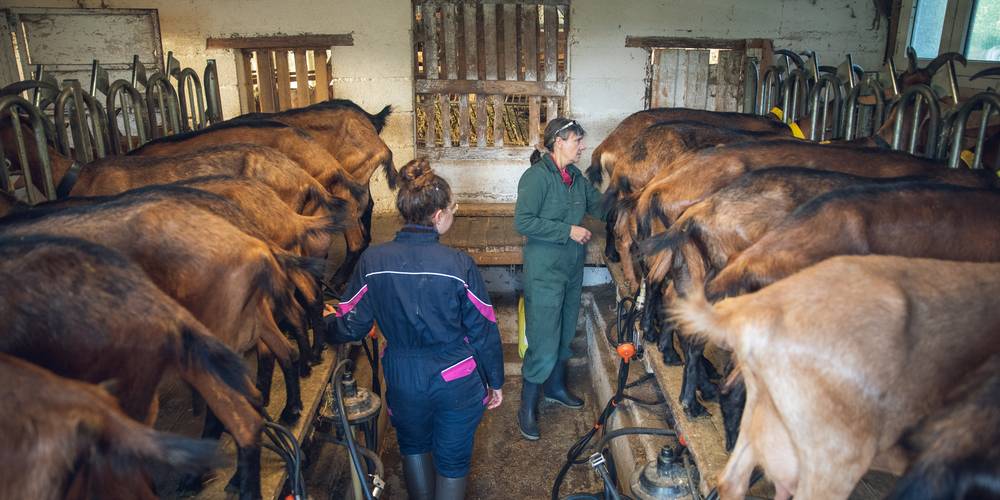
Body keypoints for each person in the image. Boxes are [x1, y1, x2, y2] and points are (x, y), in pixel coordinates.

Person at [324, 158, 504, 500]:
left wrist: (322, 326)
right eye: (452, 209)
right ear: (438, 217)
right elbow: (483, 331)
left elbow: (353, 322)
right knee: (452, 459)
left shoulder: (372, 261)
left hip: (403, 373)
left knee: (414, 446)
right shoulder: (458, 265)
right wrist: (494, 381)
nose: (453, 213)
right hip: (455, 375)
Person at [514, 118, 606, 441]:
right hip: (544, 270)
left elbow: (600, 206)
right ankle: (526, 407)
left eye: (581, 140)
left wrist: (634, 202)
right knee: (543, 336)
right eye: (576, 140)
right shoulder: (536, 178)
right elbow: (523, 222)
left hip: (570, 268)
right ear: (558, 142)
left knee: (566, 329)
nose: (582, 146)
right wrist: (568, 230)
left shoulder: (576, 179)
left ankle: (555, 387)